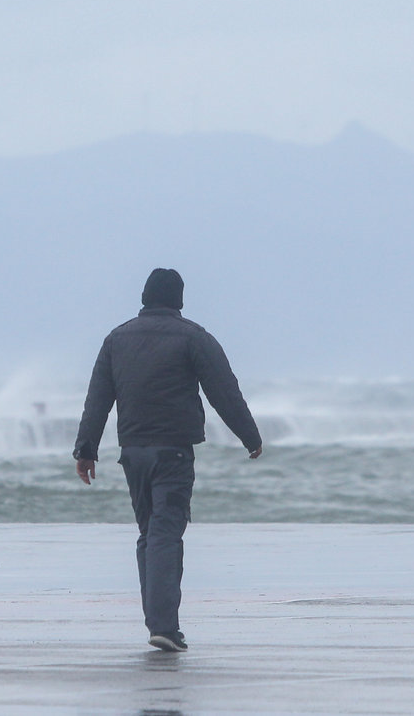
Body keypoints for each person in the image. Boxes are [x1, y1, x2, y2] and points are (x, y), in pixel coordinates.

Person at [73, 268, 262, 653]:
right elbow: (224, 391)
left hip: (133, 453)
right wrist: (250, 436)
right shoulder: (193, 336)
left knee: (149, 533)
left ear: (144, 297)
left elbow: (97, 399)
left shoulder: (116, 338)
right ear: (179, 300)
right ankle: (163, 626)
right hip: (173, 451)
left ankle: (158, 623)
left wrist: (86, 449)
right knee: (164, 533)